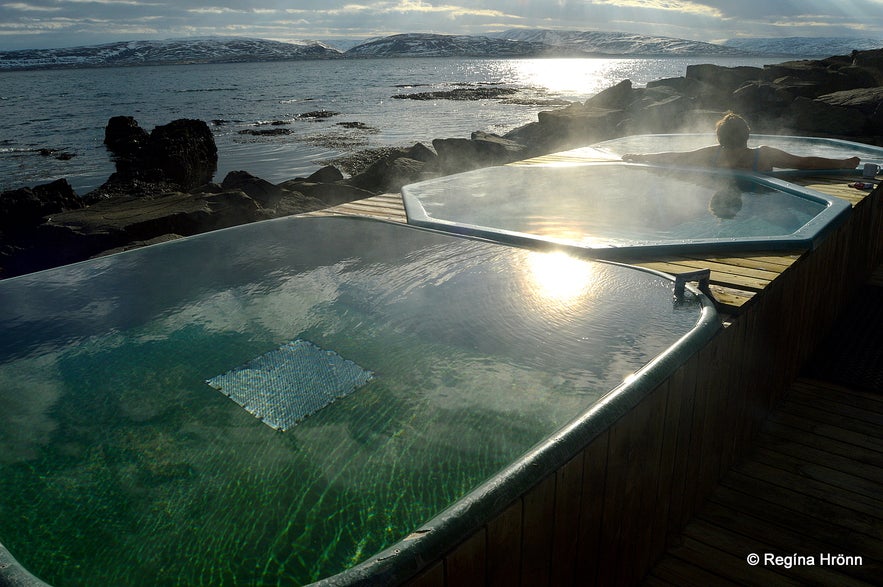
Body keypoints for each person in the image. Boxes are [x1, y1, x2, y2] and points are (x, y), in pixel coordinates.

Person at [622, 112, 861, 172]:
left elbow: (675, 157)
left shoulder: (711, 154)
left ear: (719, 137)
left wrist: (640, 157)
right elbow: (805, 163)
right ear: (747, 135)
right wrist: (843, 163)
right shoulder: (764, 155)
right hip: (759, 200)